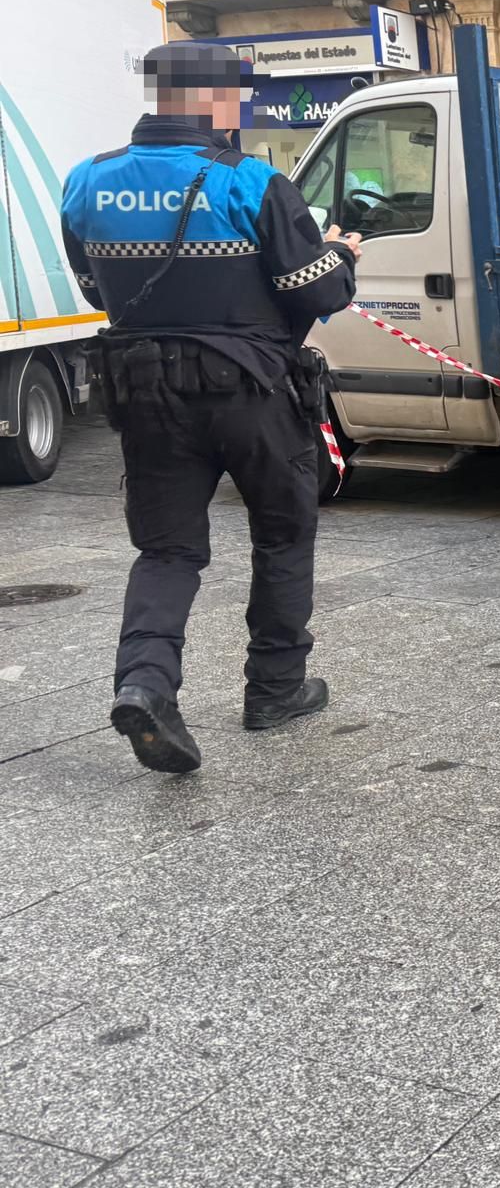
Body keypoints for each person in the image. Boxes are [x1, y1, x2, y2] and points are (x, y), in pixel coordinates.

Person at [59, 41, 361, 774]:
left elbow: (95, 290)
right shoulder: (253, 183)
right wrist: (342, 253)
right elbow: (317, 292)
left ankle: (146, 684)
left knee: (167, 550)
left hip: (145, 392)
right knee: (283, 534)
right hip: (251, 390)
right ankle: (276, 689)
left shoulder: (86, 182)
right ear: (219, 102)